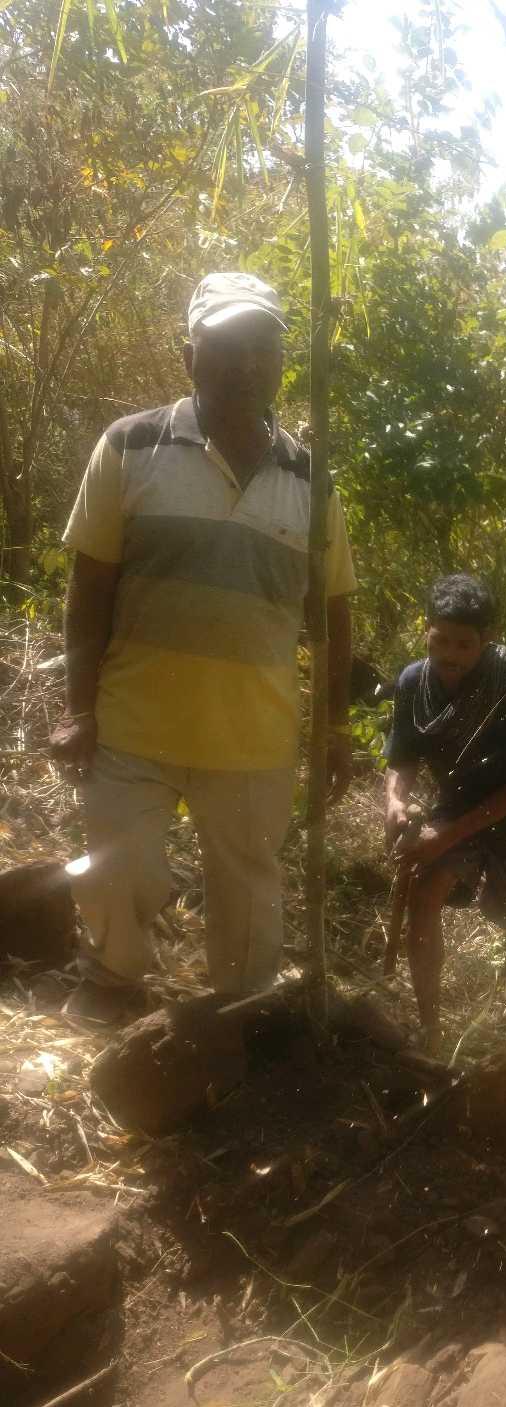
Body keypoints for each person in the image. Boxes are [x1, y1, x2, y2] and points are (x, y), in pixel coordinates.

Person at [49, 272, 356, 1024]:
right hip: (133, 725)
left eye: (263, 347)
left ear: (280, 361)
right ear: (189, 355)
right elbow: (89, 590)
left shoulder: (310, 480)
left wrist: (335, 727)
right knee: (117, 869)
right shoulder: (131, 445)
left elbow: (333, 612)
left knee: (249, 892)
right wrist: (78, 709)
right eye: (225, 346)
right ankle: (113, 982)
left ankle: (238, 1022)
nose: (246, 364)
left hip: (253, 738)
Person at [382, 574, 506, 1055]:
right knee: (423, 896)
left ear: (488, 639)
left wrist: (443, 838)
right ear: (426, 629)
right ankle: (431, 1028)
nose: (450, 655)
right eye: (440, 640)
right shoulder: (413, 683)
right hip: (458, 803)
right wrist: (394, 801)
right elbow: (401, 758)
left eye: (464, 644)